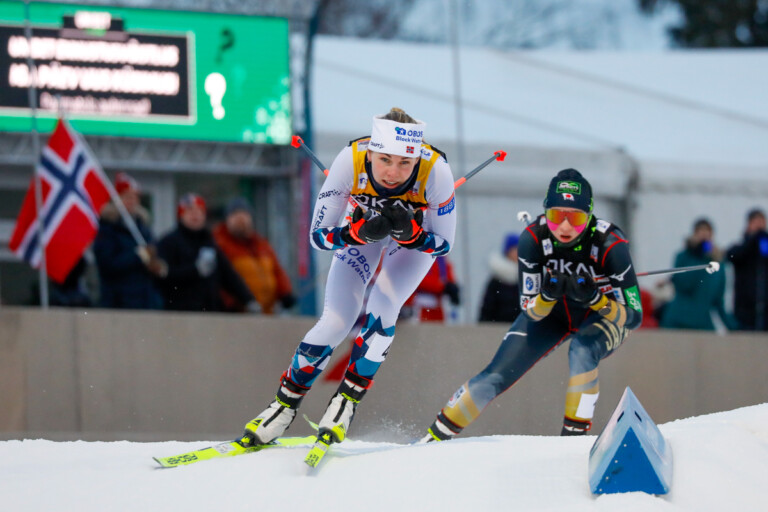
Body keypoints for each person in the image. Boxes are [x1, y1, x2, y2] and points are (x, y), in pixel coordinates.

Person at [239, 107, 456, 448]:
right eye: (385, 159)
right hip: (363, 232)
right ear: (371, 151)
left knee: (384, 306)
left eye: (404, 163)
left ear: (417, 159)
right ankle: (282, 406)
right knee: (336, 320)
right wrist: (355, 233)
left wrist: (413, 236)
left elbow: (444, 245)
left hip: (412, 239)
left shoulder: (436, 170)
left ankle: (345, 402)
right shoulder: (350, 160)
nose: (393, 173)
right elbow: (317, 236)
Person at [422, 168, 643, 440]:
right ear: (544, 212)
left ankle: (573, 442)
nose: (564, 227)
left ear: (589, 216)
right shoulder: (533, 238)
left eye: (574, 218)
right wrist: (548, 294)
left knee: (582, 350)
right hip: (552, 313)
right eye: (555, 216)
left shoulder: (610, 245)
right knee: (495, 375)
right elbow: (531, 311)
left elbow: (634, 317)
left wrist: (596, 300)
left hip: (599, 317)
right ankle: (431, 439)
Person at [156, 193, 259, 313]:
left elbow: (228, 275)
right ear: (181, 215)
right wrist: (194, 270)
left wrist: (249, 300)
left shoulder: (209, 242)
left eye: (199, 211)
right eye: (190, 211)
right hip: (180, 313)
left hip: (209, 312)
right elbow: (163, 276)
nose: (195, 215)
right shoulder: (169, 242)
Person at [92, 172, 165, 309]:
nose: (132, 201)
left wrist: (156, 265)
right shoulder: (108, 228)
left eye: (135, 197)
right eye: (127, 197)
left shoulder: (143, 228)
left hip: (146, 300)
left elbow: (153, 251)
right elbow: (108, 264)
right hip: (119, 301)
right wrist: (138, 256)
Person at [213, 198, 296, 314]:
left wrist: (285, 293)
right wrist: (230, 304)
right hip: (238, 313)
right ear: (227, 219)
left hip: (266, 313)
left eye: (244, 215)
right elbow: (221, 279)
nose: (240, 220)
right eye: (235, 215)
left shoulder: (262, 245)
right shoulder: (220, 245)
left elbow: (277, 272)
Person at [660, 218, 735, 331]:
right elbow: (683, 284)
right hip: (678, 320)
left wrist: (734, 327)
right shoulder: (683, 257)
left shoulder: (718, 265)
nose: (704, 236)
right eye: (700, 232)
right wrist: (696, 255)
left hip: (702, 323)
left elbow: (718, 301)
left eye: (707, 232)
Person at [726, 208, 768, 331]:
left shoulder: (764, 247)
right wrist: (752, 239)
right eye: (756, 222)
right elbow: (732, 256)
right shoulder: (741, 247)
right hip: (744, 309)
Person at [479, 232, 521, 323]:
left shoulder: (527, 278)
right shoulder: (497, 280)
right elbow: (487, 308)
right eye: (514, 249)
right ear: (507, 251)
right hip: (498, 328)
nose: (517, 253)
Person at [402, 257, 460, 322]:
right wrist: (442, 286)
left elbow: (449, 277)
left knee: (438, 330)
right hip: (416, 305)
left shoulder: (441, 258)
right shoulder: (415, 255)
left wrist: (452, 288)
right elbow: (416, 279)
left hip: (437, 307)